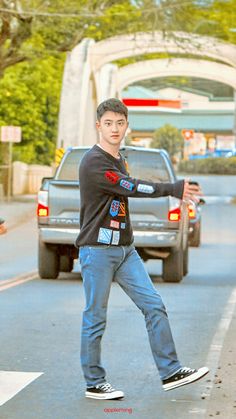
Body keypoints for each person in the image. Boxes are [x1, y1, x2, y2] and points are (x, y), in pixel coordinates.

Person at [76, 98, 209, 400]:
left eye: (119, 123)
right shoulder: (94, 162)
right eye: (108, 123)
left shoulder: (119, 158)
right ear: (98, 126)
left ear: (126, 125)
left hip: (125, 251)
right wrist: (173, 188)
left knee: (154, 305)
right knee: (95, 316)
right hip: (97, 250)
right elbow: (130, 187)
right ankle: (94, 382)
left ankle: (171, 371)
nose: (114, 128)